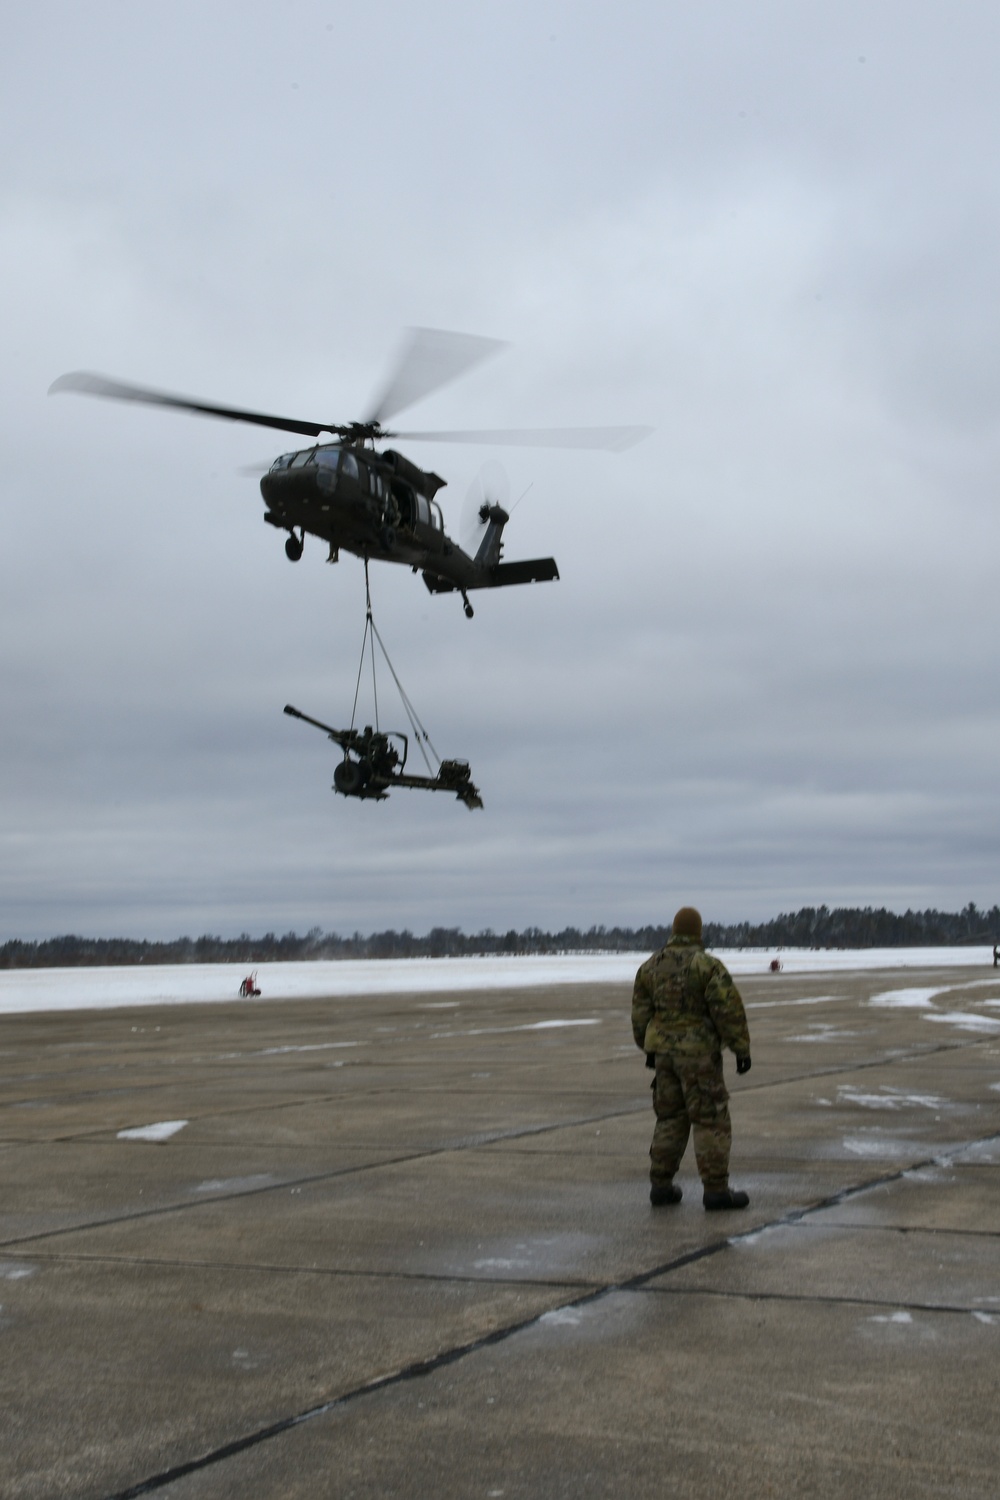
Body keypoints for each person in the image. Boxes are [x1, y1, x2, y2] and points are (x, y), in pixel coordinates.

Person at [632, 906, 752, 1211]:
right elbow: (728, 1010)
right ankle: (715, 1190)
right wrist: (741, 1049)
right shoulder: (706, 965)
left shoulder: (650, 966)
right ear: (697, 932)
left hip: (664, 1056)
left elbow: (640, 1014)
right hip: (698, 1056)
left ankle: (660, 1186)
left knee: (669, 1118)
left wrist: (649, 1049)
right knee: (710, 1119)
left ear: (674, 930)